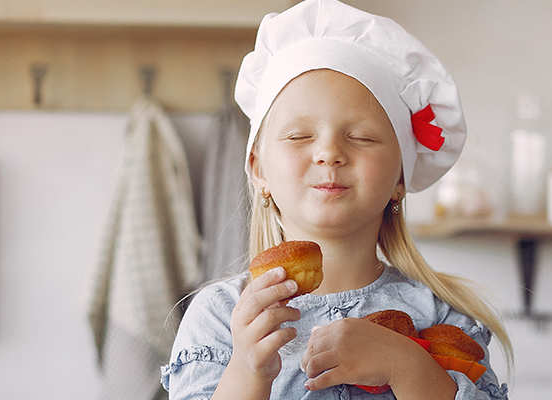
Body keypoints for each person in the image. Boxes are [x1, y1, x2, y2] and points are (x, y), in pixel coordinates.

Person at [161, 0, 512, 398]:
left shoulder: (444, 317)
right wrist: (247, 369)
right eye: (299, 136)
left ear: (400, 175)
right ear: (259, 169)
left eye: (361, 137)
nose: (329, 152)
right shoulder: (221, 317)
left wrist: (405, 365)